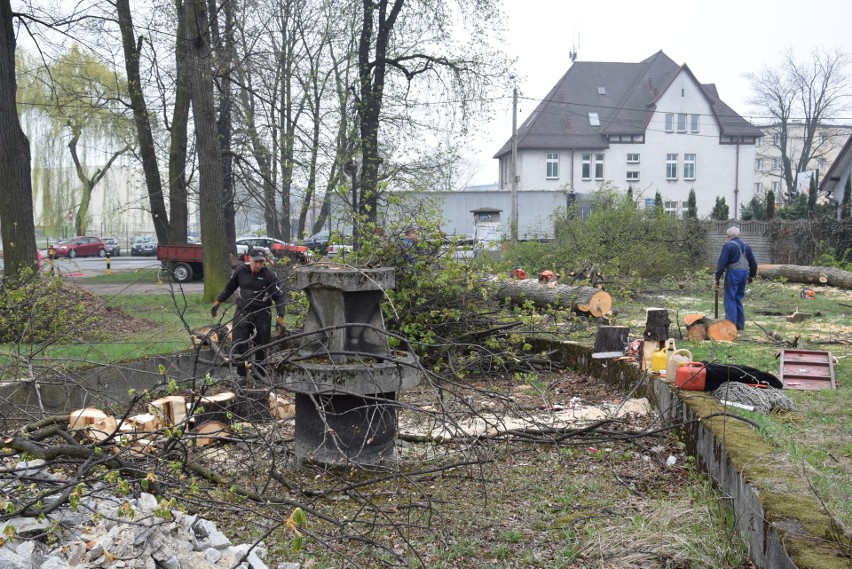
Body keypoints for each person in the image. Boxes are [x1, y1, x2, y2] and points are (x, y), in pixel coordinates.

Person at [211, 249, 287, 380]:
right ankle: (241, 375)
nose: (258, 265)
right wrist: (218, 302)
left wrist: (280, 317)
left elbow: (279, 297)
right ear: (249, 258)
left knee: (261, 347)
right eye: (256, 261)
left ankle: (259, 377)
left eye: (261, 262)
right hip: (243, 311)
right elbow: (230, 287)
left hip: (262, 313)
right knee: (238, 344)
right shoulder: (241, 271)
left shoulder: (269, 275)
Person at [715, 226, 757, 331]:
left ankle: (730, 326)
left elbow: (722, 263)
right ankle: (740, 325)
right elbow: (754, 264)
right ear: (739, 235)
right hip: (744, 274)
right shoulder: (746, 246)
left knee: (730, 298)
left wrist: (717, 278)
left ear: (728, 236)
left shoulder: (728, 245)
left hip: (733, 273)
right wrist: (751, 276)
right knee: (738, 299)